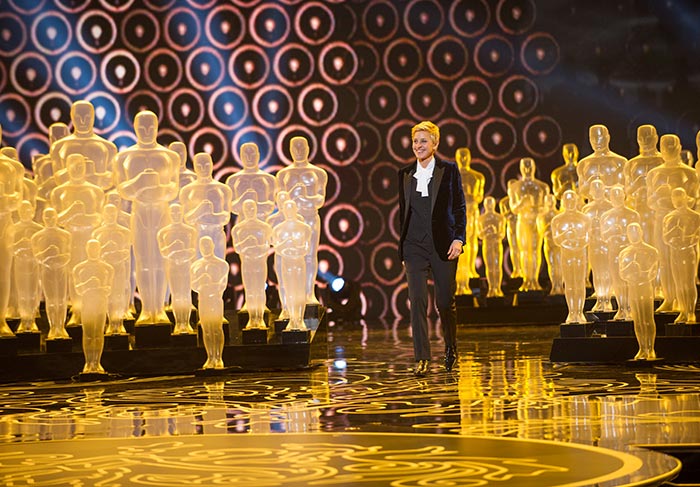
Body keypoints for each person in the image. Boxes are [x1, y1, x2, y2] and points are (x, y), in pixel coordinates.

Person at [398, 120, 466, 375]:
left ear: (435, 144)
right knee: (416, 300)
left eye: (423, 141)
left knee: (445, 302)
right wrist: (403, 249)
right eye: (415, 141)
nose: (418, 145)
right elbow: (403, 214)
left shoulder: (449, 171)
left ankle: (450, 347)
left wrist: (458, 239)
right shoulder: (404, 175)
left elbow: (459, 208)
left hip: (443, 246)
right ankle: (422, 358)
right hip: (414, 246)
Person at [115, 110, 180, 325]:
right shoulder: (125, 158)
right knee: (143, 261)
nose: (146, 131)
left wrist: (156, 187)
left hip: (160, 211)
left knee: (161, 261)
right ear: (134, 128)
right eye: (141, 127)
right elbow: (122, 189)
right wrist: (140, 183)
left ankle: (159, 308)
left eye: (150, 127)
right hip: (140, 211)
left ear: (157, 127)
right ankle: (146, 308)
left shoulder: (169, 157)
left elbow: (173, 189)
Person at [647, 133, 699, 312]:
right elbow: (650, 201)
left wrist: (673, 200)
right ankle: (670, 298)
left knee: (684, 265)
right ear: (660, 150)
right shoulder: (654, 174)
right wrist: (660, 197)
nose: (668, 150)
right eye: (665, 146)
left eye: (671, 146)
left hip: (683, 222)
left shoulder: (690, 173)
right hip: (662, 220)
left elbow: (694, 199)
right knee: (664, 260)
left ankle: (685, 304)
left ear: (679, 147)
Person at [276, 136, 327, 306]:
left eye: (301, 147)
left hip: (310, 217)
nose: (298, 151)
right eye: (295, 147)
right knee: (288, 259)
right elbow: (280, 200)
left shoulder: (318, 173)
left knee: (310, 255)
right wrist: (294, 195)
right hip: (290, 221)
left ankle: (309, 292)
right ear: (289, 150)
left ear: (308, 148)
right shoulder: (283, 174)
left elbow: (320, 200)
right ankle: (291, 296)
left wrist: (303, 198)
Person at [49, 100, 117, 191]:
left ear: (93, 117)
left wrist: (92, 175)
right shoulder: (58, 147)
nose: (82, 122)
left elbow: (111, 180)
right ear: (72, 117)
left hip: (97, 200)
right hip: (68, 199)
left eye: (87, 118)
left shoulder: (108, 147)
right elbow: (57, 179)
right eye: (78, 117)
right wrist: (74, 168)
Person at [507, 157, 549, 292]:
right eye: (524, 166)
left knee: (536, 250)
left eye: (529, 166)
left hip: (536, 221)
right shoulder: (515, 187)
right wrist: (522, 202)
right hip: (522, 221)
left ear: (534, 167)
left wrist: (534, 208)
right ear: (520, 168)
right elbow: (513, 208)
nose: (527, 169)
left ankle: (534, 280)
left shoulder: (542, 187)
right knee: (524, 251)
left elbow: (546, 207)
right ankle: (526, 280)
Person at [179, 152, 232, 259]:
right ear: (194, 166)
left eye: (206, 165)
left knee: (219, 264)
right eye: (199, 165)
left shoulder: (223, 189)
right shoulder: (188, 190)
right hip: (198, 233)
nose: (203, 169)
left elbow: (226, 217)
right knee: (198, 266)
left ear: (212, 164)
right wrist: (200, 211)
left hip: (217, 232)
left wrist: (211, 216)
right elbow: (186, 219)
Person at [619, 223, 659, 360]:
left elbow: (653, 272)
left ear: (641, 232)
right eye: (630, 233)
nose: (633, 235)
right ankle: (642, 348)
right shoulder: (625, 253)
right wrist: (631, 268)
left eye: (636, 232)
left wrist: (640, 272)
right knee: (638, 320)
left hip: (645, 287)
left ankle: (650, 348)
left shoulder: (651, 251)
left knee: (647, 318)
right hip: (633, 287)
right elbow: (622, 273)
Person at [73, 239, 113, 374]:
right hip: (88, 304)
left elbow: (108, 289)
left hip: (100, 303)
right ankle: (88, 362)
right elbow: (78, 289)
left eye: (96, 248)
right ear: (86, 249)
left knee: (98, 334)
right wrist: (89, 284)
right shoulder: (79, 268)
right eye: (91, 248)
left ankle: (97, 361)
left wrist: (97, 287)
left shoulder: (107, 268)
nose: (93, 251)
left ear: (100, 249)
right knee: (88, 334)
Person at [600, 185, 640, 321]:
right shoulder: (606, 216)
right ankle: (621, 307)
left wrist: (622, 234)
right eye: (614, 196)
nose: (616, 198)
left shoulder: (633, 215)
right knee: (616, 280)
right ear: (610, 198)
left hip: (629, 252)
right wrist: (613, 232)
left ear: (624, 196)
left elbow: (637, 234)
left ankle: (630, 307)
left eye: (619, 195)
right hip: (614, 251)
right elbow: (603, 236)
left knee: (629, 279)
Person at [31, 207, 72, 340]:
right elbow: (37, 257)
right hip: (47, 271)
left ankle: (61, 326)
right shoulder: (37, 237)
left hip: (61, 270)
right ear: (43, 218)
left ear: (56, 217)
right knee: (51, 300)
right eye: (47, 217)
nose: (50, 219)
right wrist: (48, 254)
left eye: (52, 216)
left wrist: (56, 257)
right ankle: (53, 326)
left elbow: (67, 255)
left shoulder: (65, 235)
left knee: (61, 300)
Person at [157, 203, 198, 335]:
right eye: (173, 213)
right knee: (176, 295)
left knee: (185, 294)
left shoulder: (190, 231)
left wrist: (181, 251)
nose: (175, 215)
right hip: (173, 266)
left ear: (182, 214)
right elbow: (163, 252)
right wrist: (174, 249)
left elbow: (192, 251)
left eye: (178, 212)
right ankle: (179, 323)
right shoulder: (163, 233)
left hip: (185, 265)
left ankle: (185, 322)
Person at [232, 199, 273, 329]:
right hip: (247, 263)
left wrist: (253, 245)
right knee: (249, 290)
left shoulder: (264, 227)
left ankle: (259, 318)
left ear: (256, 209)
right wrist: (248, 246)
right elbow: (237, 248)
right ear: (243, 210)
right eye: (247, 208)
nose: (250, 210)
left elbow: (266, 246)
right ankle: (252, 317)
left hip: (259, 263)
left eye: (252, 208)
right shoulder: (238, 229)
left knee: (260, 290)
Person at [551, 190, 591, 324]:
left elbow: (587, 238)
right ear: (563, 202)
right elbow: (556, 240)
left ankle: (579, 312)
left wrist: (576, 240)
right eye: (567, 200)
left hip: (579, 254)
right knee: (569, 284)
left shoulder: (584, 219)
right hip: (566, 255)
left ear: (576, 201)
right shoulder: (557, 220)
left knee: (579, 283)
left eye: (572, 199)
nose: (570, 202)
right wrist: (565, 236)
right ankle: (571, 311)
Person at [92, 204, 132, 336]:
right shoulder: (97, 233)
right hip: (104, 270)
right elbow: (94, 252)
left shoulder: (124, 232)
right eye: (107, 213)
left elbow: (126, 253)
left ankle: (118, 323)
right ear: (103, 214)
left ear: (116, 214)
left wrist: (115, 252)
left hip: (119, 267)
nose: (110, 216)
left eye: (112, 213)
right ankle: (110, 322)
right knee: (108, 296)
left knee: (119, 295)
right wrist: (105, 253)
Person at [272, 199, 311, 331]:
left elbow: (306, 248)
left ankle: (299, 319)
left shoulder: (304, 228)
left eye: (291, 208)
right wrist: (286, 244)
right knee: (289, 290)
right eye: (286, 209)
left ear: (295, 210)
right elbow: (276, 248)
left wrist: (293, 248)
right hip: (286, 262)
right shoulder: (278, 229)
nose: (289, 212)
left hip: (298, 262)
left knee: (299, 291)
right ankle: (292, 318)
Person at [191, 236, 229, 370]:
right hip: (204, 300)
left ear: (213, 245)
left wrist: (209, 284)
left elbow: (222, 285)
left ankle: (218, 357)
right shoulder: (196, 266)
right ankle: (210, 356)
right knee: (206, 330)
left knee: (217, 329)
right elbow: (193, 285)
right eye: (202, 246)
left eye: (207, 245)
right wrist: (202, 280)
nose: (205, 248)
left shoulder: (222, 264)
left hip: (215, 300)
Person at [662, 187, 700, 323]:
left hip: (688, 253)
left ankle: (690, 311)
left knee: (688, 283)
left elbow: (696, 236)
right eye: (674, 197)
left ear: (685, 198)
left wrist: (685, 240)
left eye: (680, 196)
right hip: (675, 253)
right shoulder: (669, 217)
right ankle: (683, 311)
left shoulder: (695, 216)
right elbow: (665, 237)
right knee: (678, 283)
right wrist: (674, 233)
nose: (677, 200)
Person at [625, 125, 663, 246]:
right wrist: (638, 184)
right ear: (637, 139)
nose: (645, 140)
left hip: (661, 210)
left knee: (661, 244)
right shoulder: (632, 164)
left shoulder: (663, 161)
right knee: (645, 240)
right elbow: (627, 191)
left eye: (649, 137)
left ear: (656, 138)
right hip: (640, 209)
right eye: (641, 137)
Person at [455, 147, 484, 294]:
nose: (463, 159)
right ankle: (461, 277)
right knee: (461, 243)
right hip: (458, 214)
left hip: (472, 211)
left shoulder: (477, 177)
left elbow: (479, 197)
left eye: (466, 156)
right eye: (461, 156)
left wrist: (469, 197)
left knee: (472, 241)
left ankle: (471, 268)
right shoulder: (451, 176)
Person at [582, 179, 613, 312]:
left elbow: (612, 225)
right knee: (596, 271)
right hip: (593, 244)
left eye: (599, 188)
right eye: (594, 189)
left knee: (607, 271)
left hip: (605, 243)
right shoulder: (586, 208)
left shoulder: (609, 206)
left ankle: (607, 299)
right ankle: (600, 299)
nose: (597, 191)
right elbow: (584, 227)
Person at [13, 201, 43, 333]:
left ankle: (31, 319)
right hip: (20, 263)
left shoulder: (38, 229)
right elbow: (7, 247)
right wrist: (19, 245)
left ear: (33, 211)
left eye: (28, 210)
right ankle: (23, 319)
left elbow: (43, 248)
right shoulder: (13, 229)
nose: (25, 213)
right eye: (22, 210)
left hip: (33, 264)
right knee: (22, 292)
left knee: (32, 291)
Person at [576, 124, 626, 201]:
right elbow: (582, 192)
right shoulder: (583, 164)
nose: (596, 141)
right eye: (593, 138)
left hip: (612, 208)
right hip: (592, 209)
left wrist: (602, 188)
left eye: (600, 137)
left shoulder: (620, 162)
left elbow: (624, 189)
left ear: (608, 138)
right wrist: (589, 183)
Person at [477, 196, 505, 298]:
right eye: (487, 203)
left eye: (490, 203)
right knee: (489, 267)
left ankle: (497, 288)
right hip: (487, 244)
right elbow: (479, 234)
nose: (489, 205)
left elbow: (502, 234)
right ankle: (491, 288)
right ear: (484, 205)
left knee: (497, 266)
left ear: (494, 204)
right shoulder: (480, 219)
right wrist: (486, 232)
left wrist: (493, 232)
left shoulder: (500, 218)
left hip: (497, 243)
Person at [537, 194, 564, 295]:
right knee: (552, 265)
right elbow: (541, 231)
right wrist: (548, 229)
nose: (550, 202)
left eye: (551, 200)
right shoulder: (541, 217)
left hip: (558, 243)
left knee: (559, 265)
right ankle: (555, 285)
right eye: (548, 200)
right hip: (548, 243)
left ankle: (560, 286)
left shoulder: (559, 215)